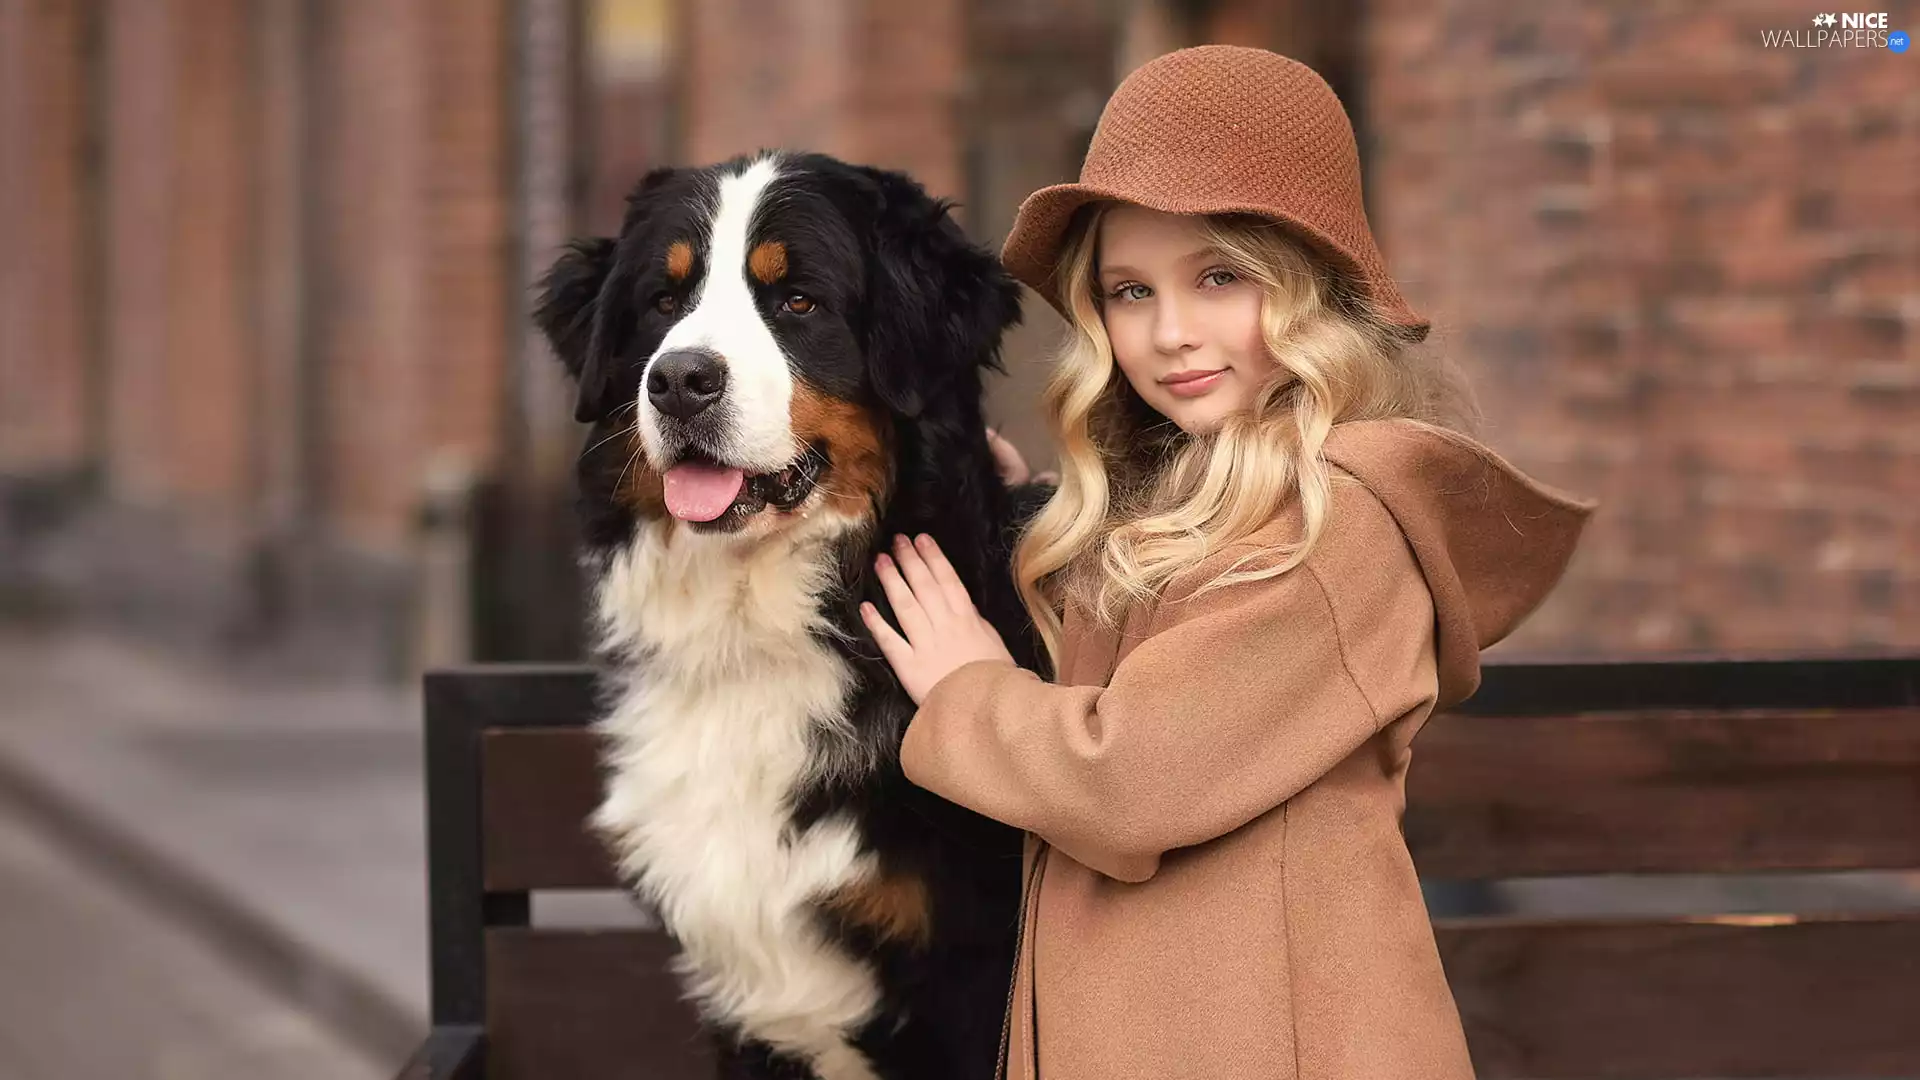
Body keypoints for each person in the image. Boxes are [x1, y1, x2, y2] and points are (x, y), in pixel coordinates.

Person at [858, 45, 1594, 1080]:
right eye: (1127, 291)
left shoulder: (1342, 525)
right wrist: (1003, 513)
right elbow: (1153, 672)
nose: (1170, 334)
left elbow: (1130, 783)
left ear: (1312, 286)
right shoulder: (1194, 504)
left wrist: (966, 690)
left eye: (1219, 278)